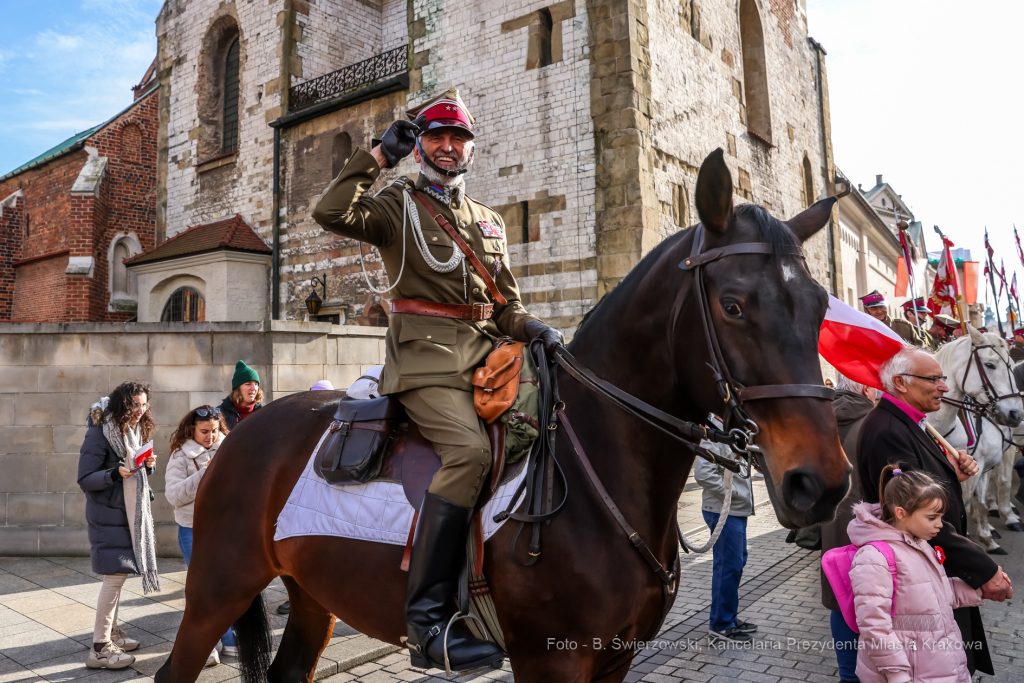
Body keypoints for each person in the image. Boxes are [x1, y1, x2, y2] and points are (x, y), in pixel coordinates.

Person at [311, 88, 561, 671]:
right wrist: (377, 157)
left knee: (554, 426)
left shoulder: (488, 221)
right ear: (420, 144)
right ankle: (427, 623)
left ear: (471, 148)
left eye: (459, 138)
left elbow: (505, 306)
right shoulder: (398, 204)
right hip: (424, 362)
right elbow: (330, 213)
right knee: (470, 454)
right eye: (436, 137)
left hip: (487, 359)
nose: (448, 147)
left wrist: (535, 328)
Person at [858, 345, 1013, 675]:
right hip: (919, 572)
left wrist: (949, 473)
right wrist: (984, 569)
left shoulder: (909, 422)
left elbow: (917, 494)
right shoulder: (888, 430)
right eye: (933, 379)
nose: (944, 386)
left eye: (943, 378)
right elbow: (916, 517)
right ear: (900, 382)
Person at [848, 466, 994, 683]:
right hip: (910, 672)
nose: (940, 524)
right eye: (932, 517)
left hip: (940, 662)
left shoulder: (921, 543)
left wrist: (980, 590)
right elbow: (874, 626)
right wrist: (896, 673)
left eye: (941, 516)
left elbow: (936, 592)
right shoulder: (874, 557)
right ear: (901, 513)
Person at [78, 381, 159, 670]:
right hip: (109, 516)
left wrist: (146, 465)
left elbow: (134, 468)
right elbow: (85, 478)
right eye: (134, 404)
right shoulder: (99, 433)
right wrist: (115, 473)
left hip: (129, 514)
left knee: (118, 577)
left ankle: (111, 632)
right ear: (121, 404)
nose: (139, 410)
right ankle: (99, 649)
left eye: (144, 404)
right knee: (113, 579)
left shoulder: (133, 430)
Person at [165, 406, 233, 666]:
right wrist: (206, 474)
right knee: (203, 589)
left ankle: (229, 639)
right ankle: (207, 645)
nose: (210, 436)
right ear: (191, 429)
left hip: (226, 529)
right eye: (204, 431)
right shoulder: (179, 456)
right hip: (193, 530)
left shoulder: (228, 448)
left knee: (228, 586)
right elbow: (174, 496)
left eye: (215, 430)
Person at [821, 374, 877, 683]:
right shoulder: (874, 422)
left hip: (833, 523)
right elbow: (894, 474)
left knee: (841, 599)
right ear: (866, 388)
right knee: (873, 601)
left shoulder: (822, 418)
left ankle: (847, 674)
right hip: (871, 526)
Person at [694, 417, 756, 644]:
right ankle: (721, 624)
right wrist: (732, 494)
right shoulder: (713, 433)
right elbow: (703, 473)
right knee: (728, 566)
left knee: (736, 563)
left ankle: (728, 616)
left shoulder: (734, 431)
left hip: (734, 510)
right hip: (724, 510)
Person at [219, 360, 263, 430]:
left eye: (256, 384)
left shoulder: (264, 412)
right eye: (248, 384)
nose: (254, 388)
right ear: (237, 389)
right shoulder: (220, 414)